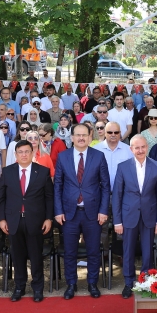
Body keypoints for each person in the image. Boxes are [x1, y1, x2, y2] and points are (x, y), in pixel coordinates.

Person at [54, 123, 110, 300]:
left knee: (93, 251)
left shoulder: (98, 156)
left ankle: (92, 283)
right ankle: (71, 284)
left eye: (84, 135)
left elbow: (105, 186)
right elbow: (57, 186)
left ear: (90, 137)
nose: (81, 138)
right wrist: (58, 211)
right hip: (69, 213)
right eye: (77, 135)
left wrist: (103, 210)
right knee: (70, 252)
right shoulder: (63, 157)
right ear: (71, 138)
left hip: (92, 213)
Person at [0, 139, 53, 302]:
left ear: (32, 153)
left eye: (26, 151)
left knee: (36, 256)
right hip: (13, 221)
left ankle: (38, 288)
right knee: (18, 256)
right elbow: (1, 198)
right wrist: (2, 219)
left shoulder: (42, 171)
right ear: (15, 154)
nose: (23, 155)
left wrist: (48, 218)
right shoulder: (7, 172)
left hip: (35, 221)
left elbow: (49, 198)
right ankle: (19, 287)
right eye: (20, 152)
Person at [112, 135, 157, 298]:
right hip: (128, 216)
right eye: (137, 147)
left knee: (147, 250)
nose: (140, 150)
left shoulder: (156, 166)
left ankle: (145, 281)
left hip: (150, 215)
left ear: (147, 147)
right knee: (128, 250)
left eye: (143, 147)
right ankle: (129, 283)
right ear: (131, 149)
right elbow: (117, 196)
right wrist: (117, 221)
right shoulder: (123, 167)